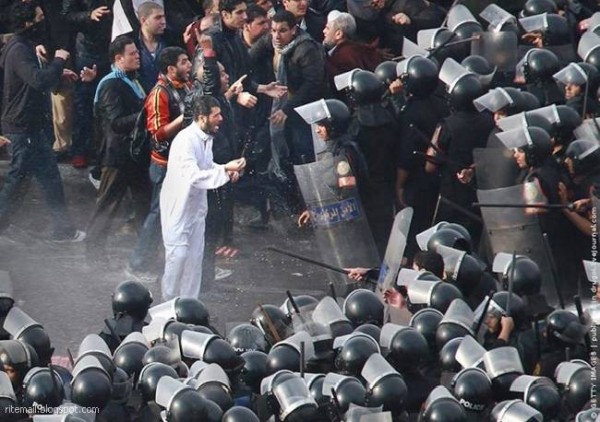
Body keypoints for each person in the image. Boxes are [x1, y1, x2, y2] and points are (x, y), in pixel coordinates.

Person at [0, 2, 85, 242]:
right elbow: (38, 81)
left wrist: (56, 70)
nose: (42, 22)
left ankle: (63, 230)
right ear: (28, 23)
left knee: (49, 178)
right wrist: (58, 61)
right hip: (22, 128)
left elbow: (36, 75)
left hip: (32, 127)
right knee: (18, 181)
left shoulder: (25, 46)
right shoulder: (18, 49)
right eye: (38, 18)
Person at [160, 95, 246, 300]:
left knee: (194, 260)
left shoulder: (205, 139)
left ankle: (189, 305)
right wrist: (225, 170)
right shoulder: (186, 141)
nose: (221, 119)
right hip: (178, 207)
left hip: (196, 209)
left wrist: (227, 170)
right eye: (216, 115)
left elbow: (207, 166)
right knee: (178, 257)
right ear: (201, 118)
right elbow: (194, 176)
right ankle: (167, 303)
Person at [127, 46, 193, 281]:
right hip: (165, 165)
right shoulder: (159, 94)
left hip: (184, 161)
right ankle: (137, 264)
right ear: (171, 69)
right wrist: (184, 119)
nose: (189, 65)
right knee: (159, 215)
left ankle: (188, 265)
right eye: (184, 62)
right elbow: (157, 133)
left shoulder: (186, 86)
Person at [85, 35, 150, 263]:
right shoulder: (111, 84)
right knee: (107, 206)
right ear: (118, 58)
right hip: (117, 156)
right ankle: (94, 256)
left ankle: (147, 255)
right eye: (132, 54)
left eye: (137, 52)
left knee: (145, 206)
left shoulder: (135, 80)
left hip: (136, 155)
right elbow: (115, 122)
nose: (137, 56)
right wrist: (145, 115)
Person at [322, 11, 383, 91]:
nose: (324, 31)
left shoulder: (342, 56)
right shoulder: (363, 50)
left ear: (338, 34)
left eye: (327, 28)